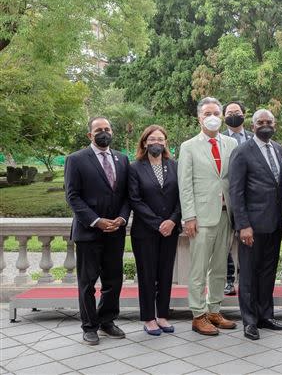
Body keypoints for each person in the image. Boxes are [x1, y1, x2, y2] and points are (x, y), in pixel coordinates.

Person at [65, 117, 130, 345]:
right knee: (88, 282)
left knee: (113, 280)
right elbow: (72, 196)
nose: (104, 132)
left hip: (115, 232)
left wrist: (121, 219)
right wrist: (96, 220)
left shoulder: (123, 159)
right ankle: (89, 326)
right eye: (99, 130)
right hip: (89, 232)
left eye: (107, 129)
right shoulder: (76, 159)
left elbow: (126, 196)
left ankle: (107, 321)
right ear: (89, 135)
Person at [228, 109, 282, 341]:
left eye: (269, 122)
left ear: (274, 125)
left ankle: (266, 315)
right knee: (248, 274)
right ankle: (250, 321)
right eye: (260, 122)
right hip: (251, 226)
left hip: (274, 224)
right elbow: (236, 191)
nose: (265, 125)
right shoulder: (242, 151)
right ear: (252, 126)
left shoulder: (278, 148)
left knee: (268, 272)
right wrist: (243, 225)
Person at [178, 97, 238, 336]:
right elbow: (185, 185)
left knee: (221, 267)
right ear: (199, 118)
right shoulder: (189, 146)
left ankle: (214, 309)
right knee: (199, 269)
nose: (212, 117)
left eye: (216, 112)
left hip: (227, 215)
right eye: (207, 113)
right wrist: (189, 216)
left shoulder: (231, 144)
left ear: (222, 116)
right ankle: (198, 314)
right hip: (201, 217)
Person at [128, 125, 181, 336]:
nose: (156, 142)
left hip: (171, 229)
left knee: (166, 273)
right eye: (152, 139)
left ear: (166, 143)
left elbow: (181, 197)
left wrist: (172, 221)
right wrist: (158, 223)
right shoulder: (134, 168)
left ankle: (163, 315)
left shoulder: (175, 166)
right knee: (147, 274)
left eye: (160, 139)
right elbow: (135, 200)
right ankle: (149, 317)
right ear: (144, 142)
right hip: (145, 231)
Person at [221, 100, 252, 296]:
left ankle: (246, 280)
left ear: (244, 114)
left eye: (237, 111)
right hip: (225, 200)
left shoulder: (253, 138)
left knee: (248, 243)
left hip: (250, 200)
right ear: (224, 117)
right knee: (225, 244)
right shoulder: (219, 139)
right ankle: (229, 279)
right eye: (230, 112)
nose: (234, 114)